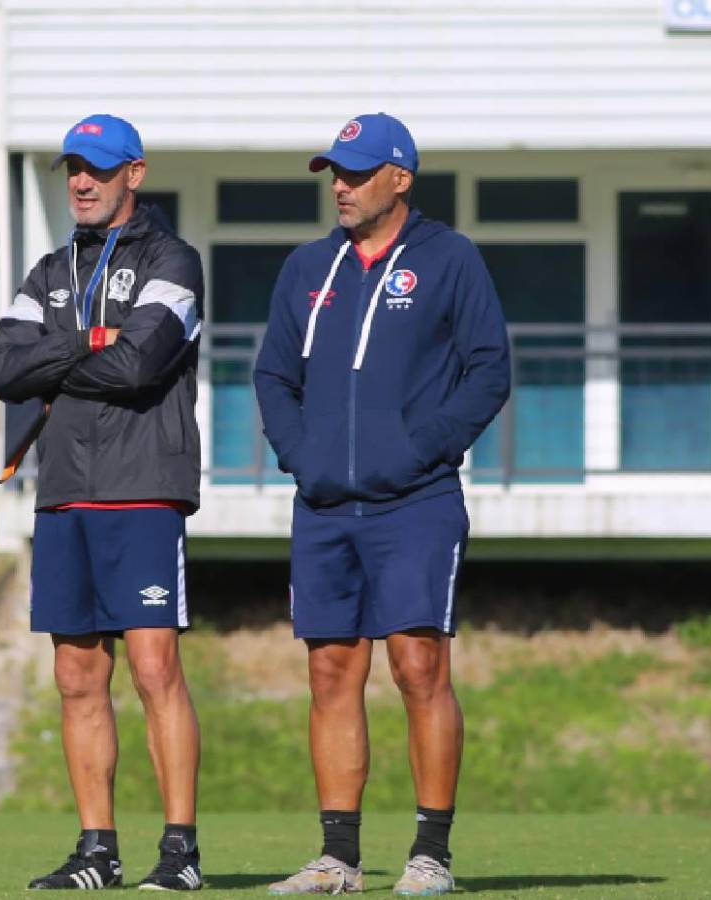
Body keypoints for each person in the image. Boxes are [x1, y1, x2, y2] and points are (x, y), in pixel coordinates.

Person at [254, 113, 510, 896]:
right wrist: (304, 457)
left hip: (417, 501)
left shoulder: (450, 260)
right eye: (335, 171)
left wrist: (417, 447)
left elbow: (488, 370)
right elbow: (272, 377)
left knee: (418, 664)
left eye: (358, 172)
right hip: (325, 506)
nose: (341, 185)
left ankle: (431, 855)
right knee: (330, 669)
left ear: (400, 177)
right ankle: (337, 859)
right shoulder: (307, 267)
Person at [0, 113, 204, 892]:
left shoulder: (174, 260)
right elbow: (2, 367)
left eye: (98, 168)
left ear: (133, 174)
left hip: (144, 486)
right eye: (72, 167)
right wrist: (90, 342)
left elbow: (141, 365)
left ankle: (179, 854)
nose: (81, 180)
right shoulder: (47, 272)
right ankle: (97, 852)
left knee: (153, 669)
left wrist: (65, 354)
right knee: (77, 676)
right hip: (64, 491)